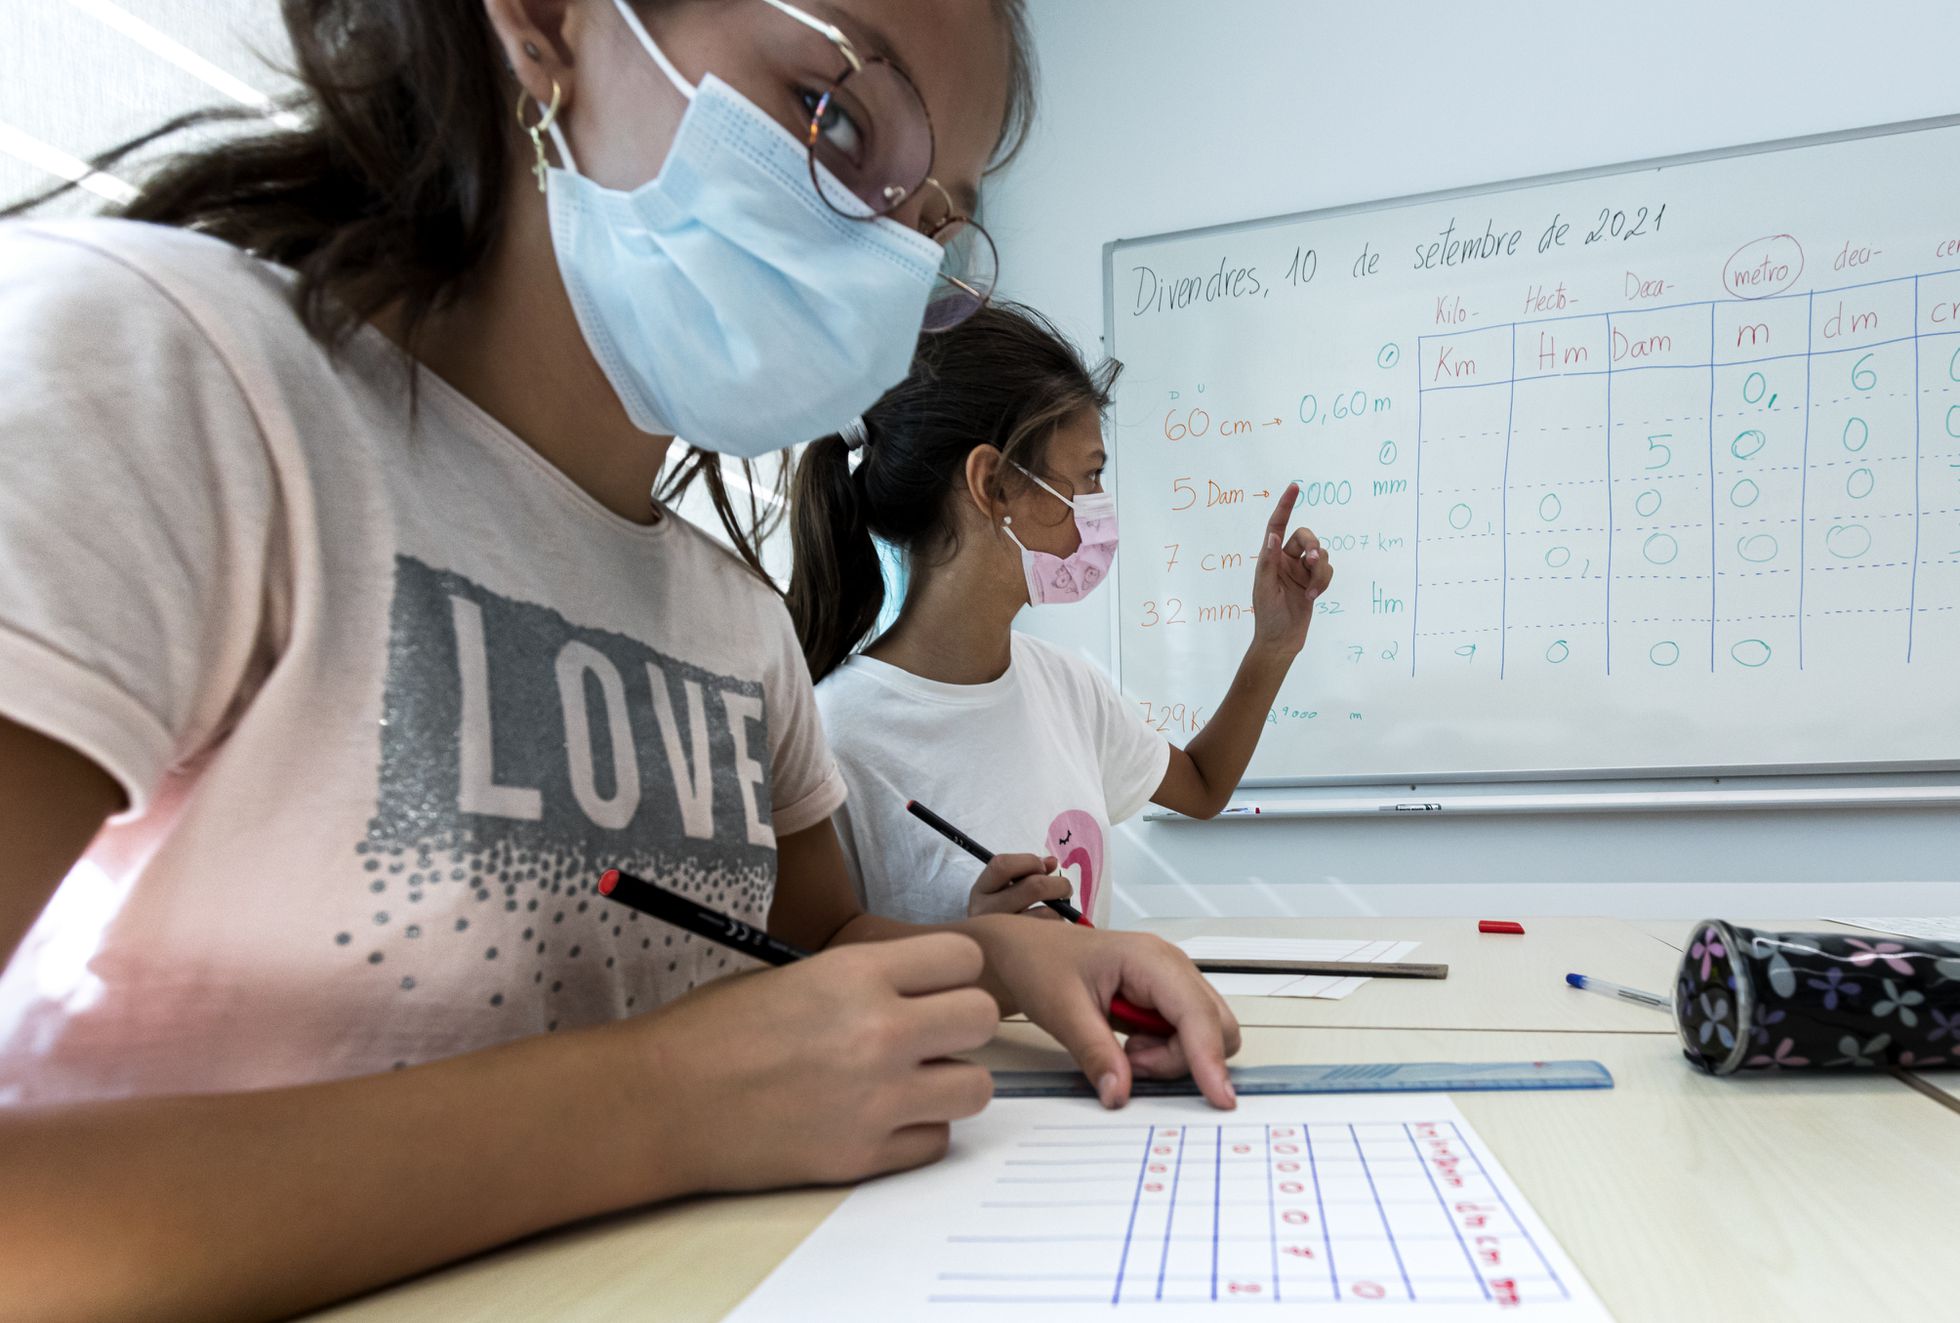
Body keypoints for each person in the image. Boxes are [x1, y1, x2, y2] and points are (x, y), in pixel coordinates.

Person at [0, 2, 1238, 1317]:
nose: (883, 250)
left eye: (933, 222)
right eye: (835, 114)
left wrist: (1000, 960)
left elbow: (810, 954)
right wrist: (660, 1101)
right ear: (545, 23)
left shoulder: (735, 625)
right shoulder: (163, 380)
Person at [789, 301, 1332, 926]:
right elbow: (816, 980)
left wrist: (1272, 645)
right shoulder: (837, 738)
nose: (1101, 509)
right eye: (1090, 477)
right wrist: (984, 948)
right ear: (992, 485)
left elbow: (1204, 788)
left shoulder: (1069, 688)